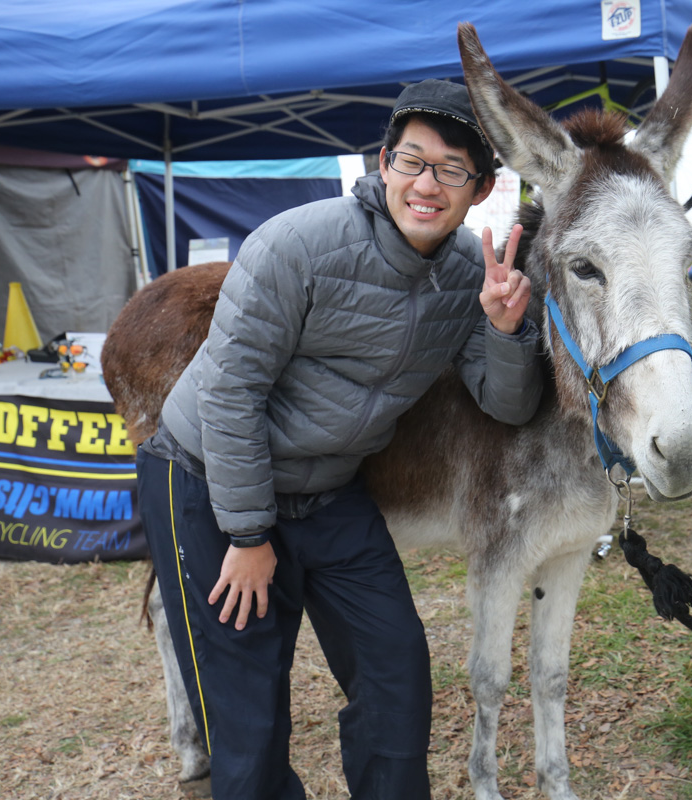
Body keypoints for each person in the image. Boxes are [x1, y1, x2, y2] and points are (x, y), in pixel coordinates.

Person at [136, 79, 544, 800]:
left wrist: (506, 330)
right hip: (205, 479)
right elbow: (232, 394)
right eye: (413, 160)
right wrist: (249, 533)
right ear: (382, 164)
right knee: (249, 707)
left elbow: (506, 407)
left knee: (396, 670)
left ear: (481, 190)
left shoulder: (464, 279)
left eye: (453, 169)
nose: (428, 183)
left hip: (328, 490)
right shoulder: (296, 245)